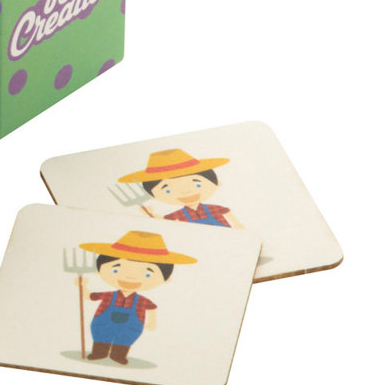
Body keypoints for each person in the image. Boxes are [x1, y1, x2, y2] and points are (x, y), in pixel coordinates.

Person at [75, 230, 196, 364]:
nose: (130, 277)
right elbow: (89, 296)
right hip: (103, 324)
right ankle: (99, 353)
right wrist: (82, 286)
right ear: (99, 270)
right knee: (101, 337)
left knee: (124, 340)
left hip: (130, 328)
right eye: (116, 270)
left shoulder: (143, 301)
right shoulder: (108, 296)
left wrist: (151, 323)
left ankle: (118, 356)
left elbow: (152, 309)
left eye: (147, 274)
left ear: (166, 279)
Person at [119, 148, 244, 228]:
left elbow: (234, 221)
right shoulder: (179, 215)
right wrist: (150, 214)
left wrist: (240, 230)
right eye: (168, 190)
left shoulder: (215, 209)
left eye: (197, 184)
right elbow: (164, 222)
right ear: (153, 195)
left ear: (217, 183)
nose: (186, 191)